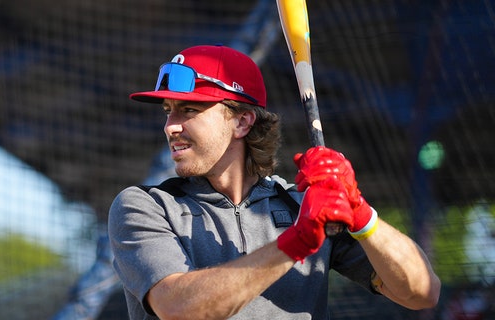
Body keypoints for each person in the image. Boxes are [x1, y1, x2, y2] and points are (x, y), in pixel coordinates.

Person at [108, 44, 440, 319]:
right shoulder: (145, 206)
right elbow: (179, 308)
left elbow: (422, 292)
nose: (170, 125)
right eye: (168, 110)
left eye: (188, 110)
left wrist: (360, 213)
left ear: (242, 122)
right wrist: (295, 243)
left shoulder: (303, 207)